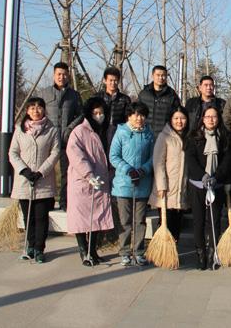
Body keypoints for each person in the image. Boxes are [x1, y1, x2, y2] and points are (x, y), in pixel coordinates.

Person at [8, 97, 60, 263]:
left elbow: (55, 153)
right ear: (27, 111)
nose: (36, 111)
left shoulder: (52, 130)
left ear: (44, 109)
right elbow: (13, 153)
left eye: (39, 107)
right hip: (24, 181)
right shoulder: (20, 129)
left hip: (43, 181)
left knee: (41, 217)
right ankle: (30, 246)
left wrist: (41, 172)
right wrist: (24, 170)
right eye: (32, 108)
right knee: (28, 217)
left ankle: (39, 249)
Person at [186, 106, 231, 269]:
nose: (211, 120)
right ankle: (200, 253)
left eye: (214, 116)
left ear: (218, 118)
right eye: (208, 117)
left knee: (214, 220)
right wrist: (202, 175)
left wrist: (216, 177)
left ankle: (212, 252)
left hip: (216, 184)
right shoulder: (194, 136)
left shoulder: (225, 136)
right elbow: (190, 159)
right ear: (203, 118)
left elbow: (228, 160)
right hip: (198, 184)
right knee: (198, 220)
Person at [66, 97, 114, 266]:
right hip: (83, 180)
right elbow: (76, 155)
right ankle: (83, 251)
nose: (99, 116)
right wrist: (89, 174)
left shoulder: (108, 130)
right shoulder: (79, 131)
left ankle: (92, 250)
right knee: (81, 218)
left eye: (101, 112)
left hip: (101, 179)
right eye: (95, 113)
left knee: (96, 217)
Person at [109, 102, 155, 266]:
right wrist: (129, 170)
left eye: (142, 115)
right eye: (135, 114)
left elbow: (153, 157)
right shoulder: (121, 132)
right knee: (125, 221)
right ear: (129, 116)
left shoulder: (149, 134)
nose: (139, 118)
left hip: (142, 184)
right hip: (123, 184)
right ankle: (125, 252)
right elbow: (114, 156)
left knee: (140, 220)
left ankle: (139, 251)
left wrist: (143, 170)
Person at [36, 61, 82, 211]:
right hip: (47, 139)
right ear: (54, 75)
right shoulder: (44, 93)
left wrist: (70, 128)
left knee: (66, 172)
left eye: (64, 74)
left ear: (68, 75)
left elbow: (80, 115)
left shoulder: (74, 95)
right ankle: (46, 200)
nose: (61, 77)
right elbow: (37, 113)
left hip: (65, 140)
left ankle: (65, 201)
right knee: (45, 171)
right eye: (59, 74)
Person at [149, 106, 190, 243]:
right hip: (166, 188)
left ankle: (173, 250)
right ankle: (163, 250)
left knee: (177, 224)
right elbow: (158, 162)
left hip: (181, 188)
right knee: (166, 223)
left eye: (182, 118)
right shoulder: (164, 136)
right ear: (170, 120)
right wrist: (161, 185)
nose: (179, 121)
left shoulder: (189, 137)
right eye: (176, 118)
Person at [138, 65, 181, 138]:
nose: (161, 78)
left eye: (163, 75)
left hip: (164, 136)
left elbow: (177, 115)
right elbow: (137, 113)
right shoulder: (144, 94)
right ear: (152, 76)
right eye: (158, 75)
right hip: (144, 135)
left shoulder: (171, 95)